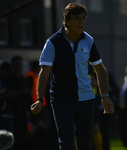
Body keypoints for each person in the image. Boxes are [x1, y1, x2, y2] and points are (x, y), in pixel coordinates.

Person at [30, 3, 114, 150]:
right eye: (77, 18)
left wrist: (105, 96)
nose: (81, 22)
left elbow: (101, 70)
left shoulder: (89, 40)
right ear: (66, 21)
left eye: (83, 18)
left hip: (86, 99)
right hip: (62, 98)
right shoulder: (53, 42)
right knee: (66, 142)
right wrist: (39, 99)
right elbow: (44, 72)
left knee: (84, 144)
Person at [10, 56, 32, 150]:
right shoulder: (11, 80)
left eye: (20, 65)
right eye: (17, 65)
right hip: (15, 112)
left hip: (23, 111)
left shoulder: (24, 79)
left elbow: (27, 96)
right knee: (17, 136)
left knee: (24, 136)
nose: (19, 67)